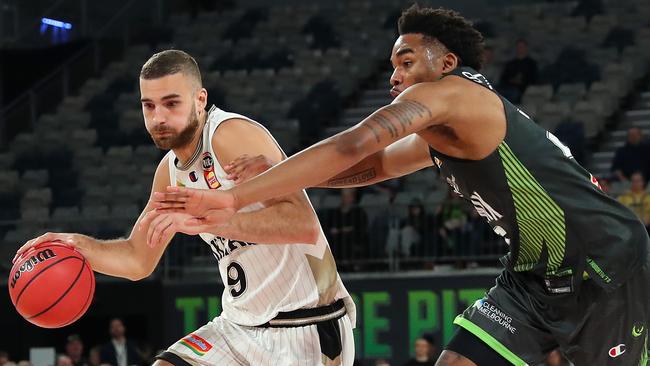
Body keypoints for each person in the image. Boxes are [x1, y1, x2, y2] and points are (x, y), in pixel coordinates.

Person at [151, 6, 650, 366]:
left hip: (602, 265)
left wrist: (236, 195)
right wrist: (272, 168)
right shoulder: (441, 134)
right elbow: (370, 169)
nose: (394, 76)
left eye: (406, 61)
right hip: (530, 275)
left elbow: (354, 145)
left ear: (447, 64)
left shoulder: (456, 97)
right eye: (392, 65)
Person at [13, 50, 355, 366]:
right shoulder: (170, 173)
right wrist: (78, 245)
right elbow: (137, 259)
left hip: (307, 323)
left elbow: (302, 224)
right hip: (238, 326)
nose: (158, 117)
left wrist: (208, 221)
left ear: (200, 99)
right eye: (149, 106)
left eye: (171, 104)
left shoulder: (230, 135)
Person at [498, 39, 537, 104]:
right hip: (507, 88)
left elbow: (533, 79)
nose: (520, 49)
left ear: (526, 48)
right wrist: (511, 80)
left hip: (522, 90)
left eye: (522, 47)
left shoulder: (531, 64)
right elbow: (503, 78)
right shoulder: (510, 64)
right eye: (519, 47)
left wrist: (521, 81)